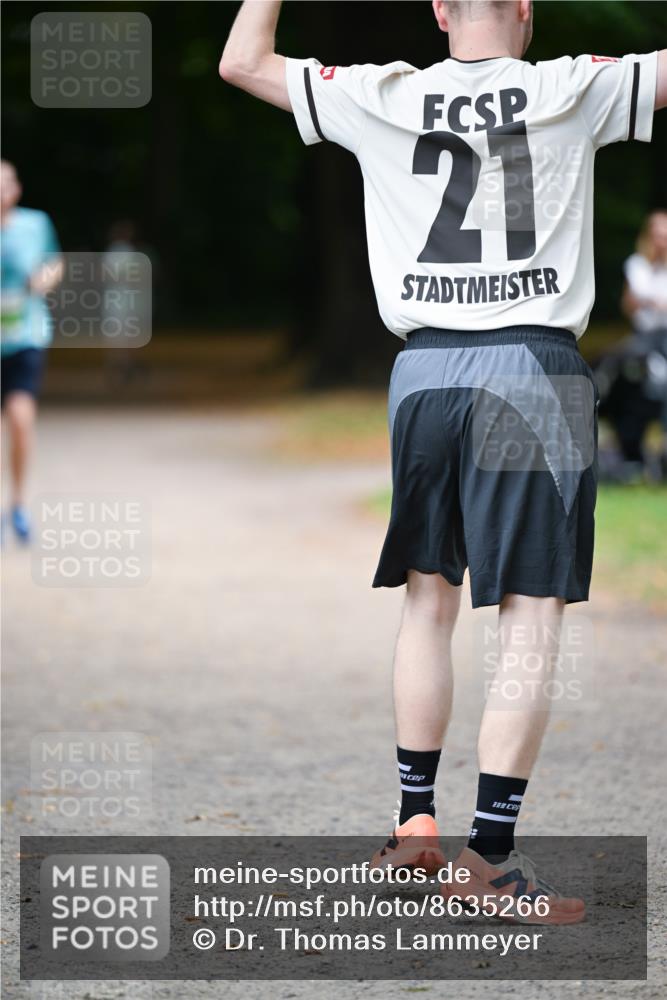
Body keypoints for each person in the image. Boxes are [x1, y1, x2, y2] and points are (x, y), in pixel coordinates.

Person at [220, 0, 666, 923]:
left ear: (437, 10)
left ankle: (412, 823)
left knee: (430, 599)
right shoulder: (569, 86)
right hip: (530, 369)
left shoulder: (383, 94)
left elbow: (240, 60)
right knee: (529, 614)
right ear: (525, 12)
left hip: (421, 372)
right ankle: (489, 859)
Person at [1, 160, 63, 542]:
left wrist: (45, 278)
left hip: (25, 335)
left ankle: (19, 505)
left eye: (7, 183)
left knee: (21, 419)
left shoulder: (35, 224)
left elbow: (54, 261)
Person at [620, 210, 667, 475]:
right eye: (658, 236)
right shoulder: (636, 264)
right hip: (645, 338)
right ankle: (633, 453)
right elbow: (630, 304)